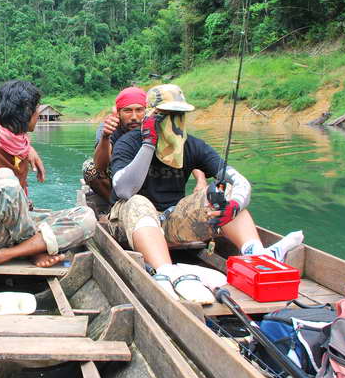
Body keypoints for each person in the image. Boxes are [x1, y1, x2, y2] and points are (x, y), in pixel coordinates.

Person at [109, 84, 303, 303]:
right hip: (128, 225)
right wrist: (148, 144)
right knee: (138, 202)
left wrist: (235, 204)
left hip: (171, 220)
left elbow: (239, 182)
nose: (173, 121)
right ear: (152, 116)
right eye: (166, 115)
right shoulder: (129, 143)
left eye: (179, 115)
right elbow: (124, 189)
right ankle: (167, 271)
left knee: (223, 192)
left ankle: (257, 253)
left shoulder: (192, 146)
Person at [0, 80, 97, 271]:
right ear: (25, 114)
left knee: (87, 216)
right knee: (5, 177)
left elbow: (18, 147)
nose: (38, 114)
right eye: (36, 110)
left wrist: (29, 150)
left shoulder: (20, 143)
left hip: (19, 228)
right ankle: (33, 250)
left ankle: (8, 254)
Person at [83, 86, 208, 212]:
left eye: (139, 110)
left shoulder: (160, 126)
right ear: (118, 113)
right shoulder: (110, 126)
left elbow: (186, 150)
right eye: (127, 111)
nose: (134, 117)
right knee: (90, 168)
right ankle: (114, 205)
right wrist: (106, 136)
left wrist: (201, 180)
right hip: (120, 176)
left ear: (148, 111)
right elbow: (100, 165)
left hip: (150, 175)